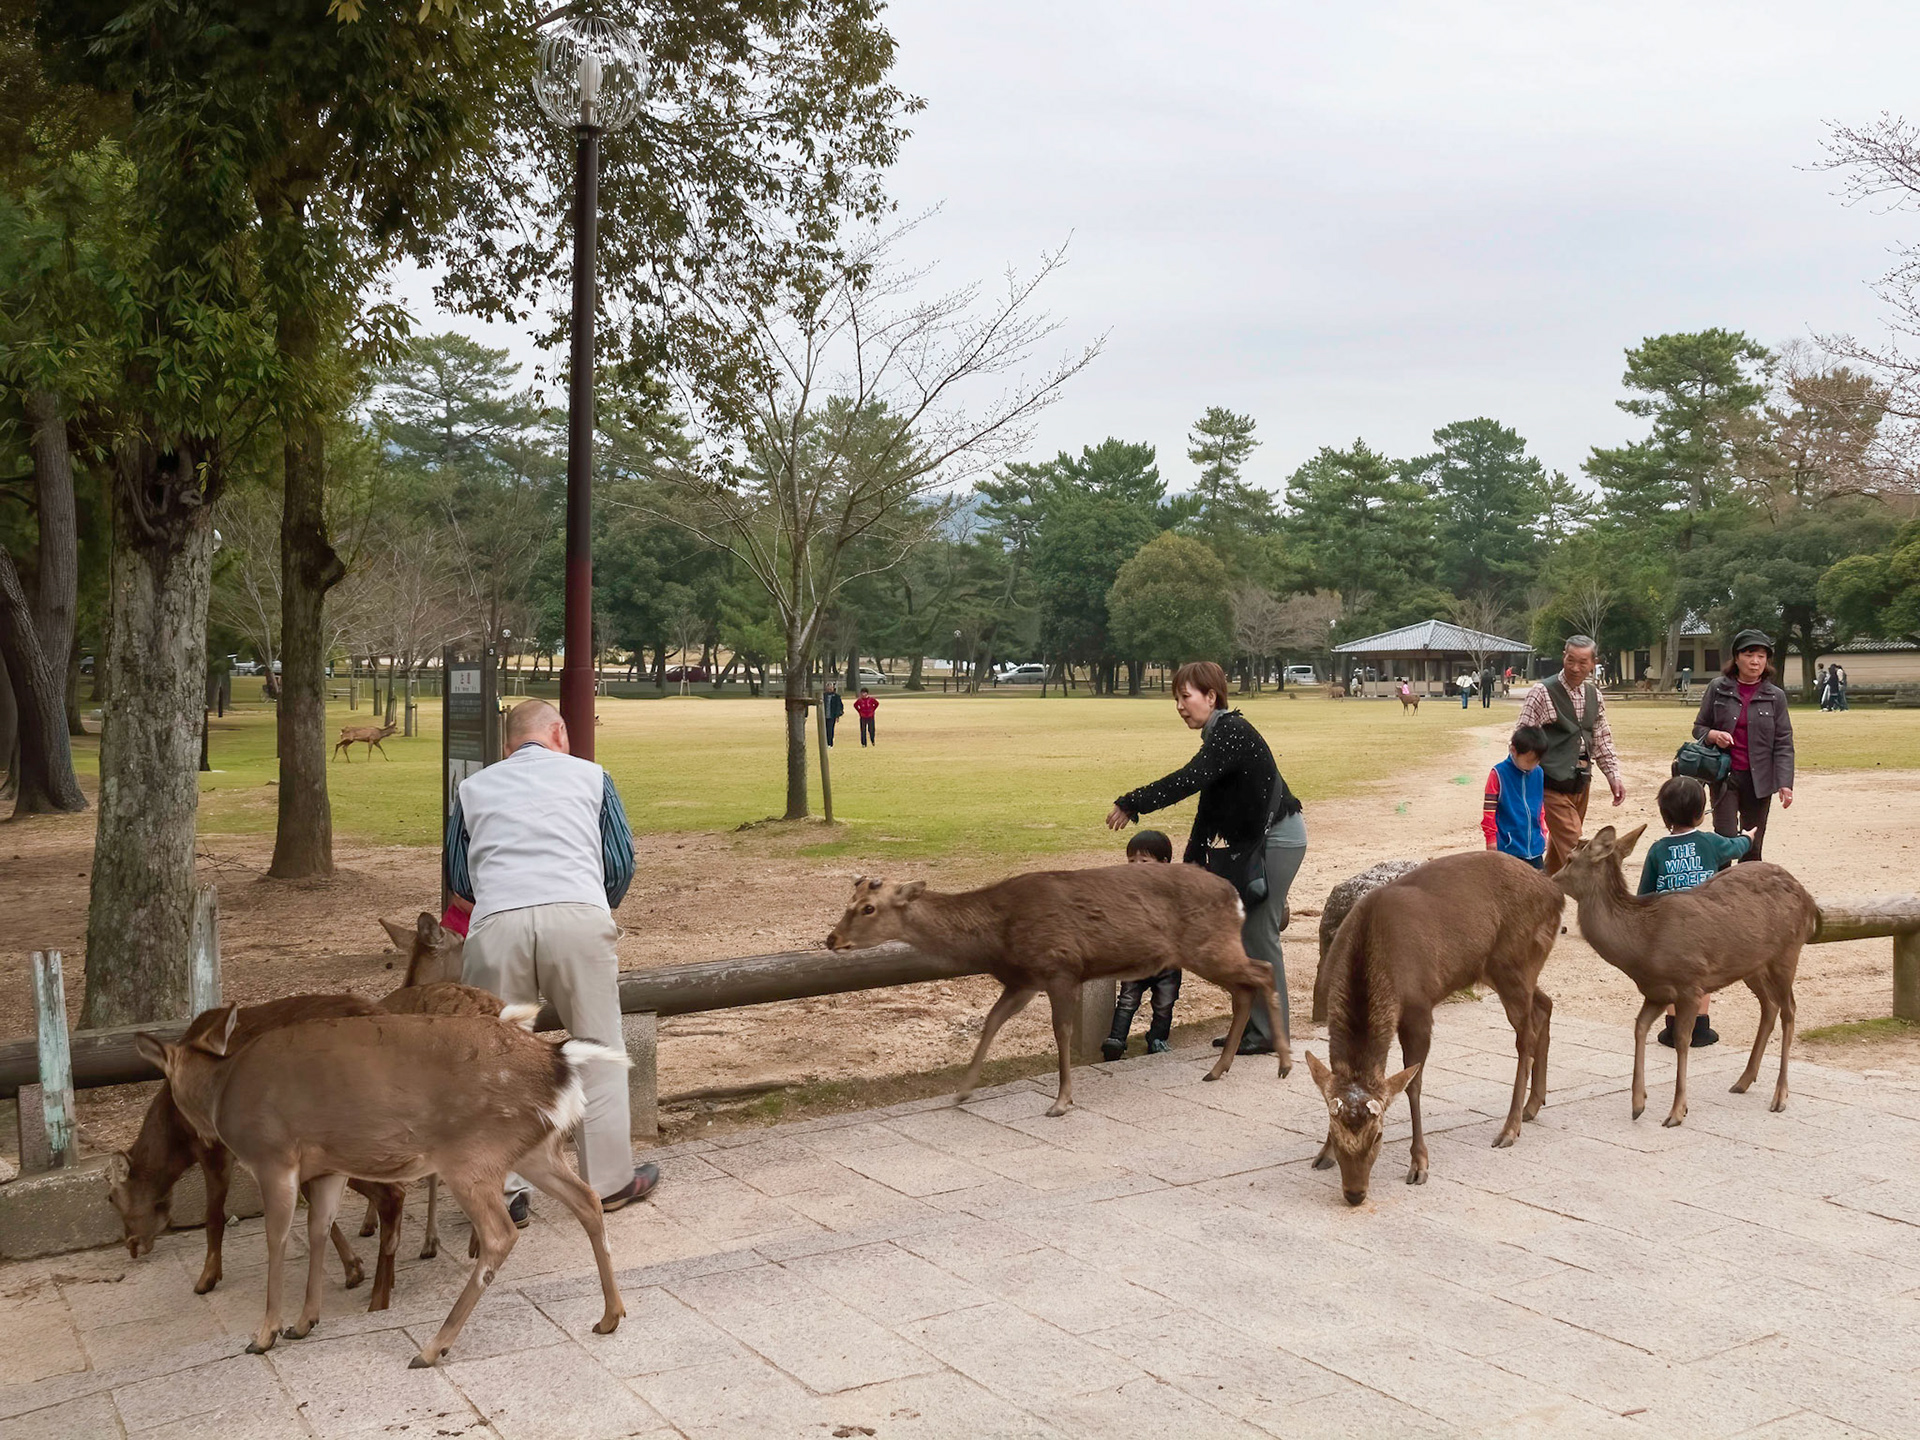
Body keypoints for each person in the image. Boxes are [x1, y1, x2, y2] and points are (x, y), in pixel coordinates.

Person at [445, 699, 659, 1221]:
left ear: (507, 745)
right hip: (577, 916)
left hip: (498, 924)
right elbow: (619, 861)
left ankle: (502, 1190)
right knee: (598, 1046)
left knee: (493, 1058)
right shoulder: (592, 776)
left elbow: (458, 875)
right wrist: (589, 900)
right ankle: (608, 1181)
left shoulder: (472, 789)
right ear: (558, 731)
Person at [1107, 660, 1305, 1055]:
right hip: (1262, 842)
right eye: (1176, 698)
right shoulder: (1219, 738)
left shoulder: (1232, 732)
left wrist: (1133, 803)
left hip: (1280, 839)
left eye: (1186, 696)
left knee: (1258, 932)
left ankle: (1269, 1032)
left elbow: (1187, 780)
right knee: (1245, 931)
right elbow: (1208, 808)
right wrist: (1191, 867)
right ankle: (1251, 1026)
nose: (1180, 706)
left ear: (1211, 696)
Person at [1639, 775, 1755, 1049]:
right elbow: (1735, 846)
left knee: (1670, 977)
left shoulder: (1657, 850)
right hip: (1704, 925)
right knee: (1699, 976)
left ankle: (1674, 1028)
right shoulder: (1709, 842)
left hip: (1669, 928)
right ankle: (1700, 1027)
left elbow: (1645, 892)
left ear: (1665, 815)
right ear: (1700, 814)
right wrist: (1747, 838)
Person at [1517, 635, 1627, 873]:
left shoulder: (1594, 695)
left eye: (1583, 662)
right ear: (1563, 656)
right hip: (1550, 784)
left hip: (1581, 782)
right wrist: (1522, 781)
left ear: (1593, 662)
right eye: (1570, 660)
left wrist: (1613, 776)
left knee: (1560, 854)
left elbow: (1602, 739)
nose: (1576, 668)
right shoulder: (1542, 692)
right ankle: (1602, 904)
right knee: (1576, 847)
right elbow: (1521, 737)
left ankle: (1546, 894)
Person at [1692, 629, 1795, 862]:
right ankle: (1721, 895)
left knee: (1752, 846)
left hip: (1760, 780)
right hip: (1725, 777)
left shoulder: (1775, 696)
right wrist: (1713, 735)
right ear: (1736, 657)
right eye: (1749, 654)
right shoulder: (1718, 688)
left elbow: (1783, 743)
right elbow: (1699, 727)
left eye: (1761, 655)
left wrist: (1785, 783)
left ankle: (1749, 896)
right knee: (1725, 841)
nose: (1755, 661)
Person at [1100, 829, 1182, 1060]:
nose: (1136, 866)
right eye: (1131, 861)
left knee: (1164, 1003)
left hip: (1168, 964)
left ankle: (1157, 1038)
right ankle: (1116, 1039)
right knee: (1127, 1000)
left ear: (1163, 863)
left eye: (1144, 861)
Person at [1482, 725, 1548, 868]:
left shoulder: (1538, 772)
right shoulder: (1498, 774)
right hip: (1509, 848)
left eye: (1536, 761)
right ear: (1513, 751)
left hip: (1535, 848)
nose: (1532, 765)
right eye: (1529, 761)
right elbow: (1489, 811)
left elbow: (1540, 806)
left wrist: (1543, 832)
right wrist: (1491, 839)